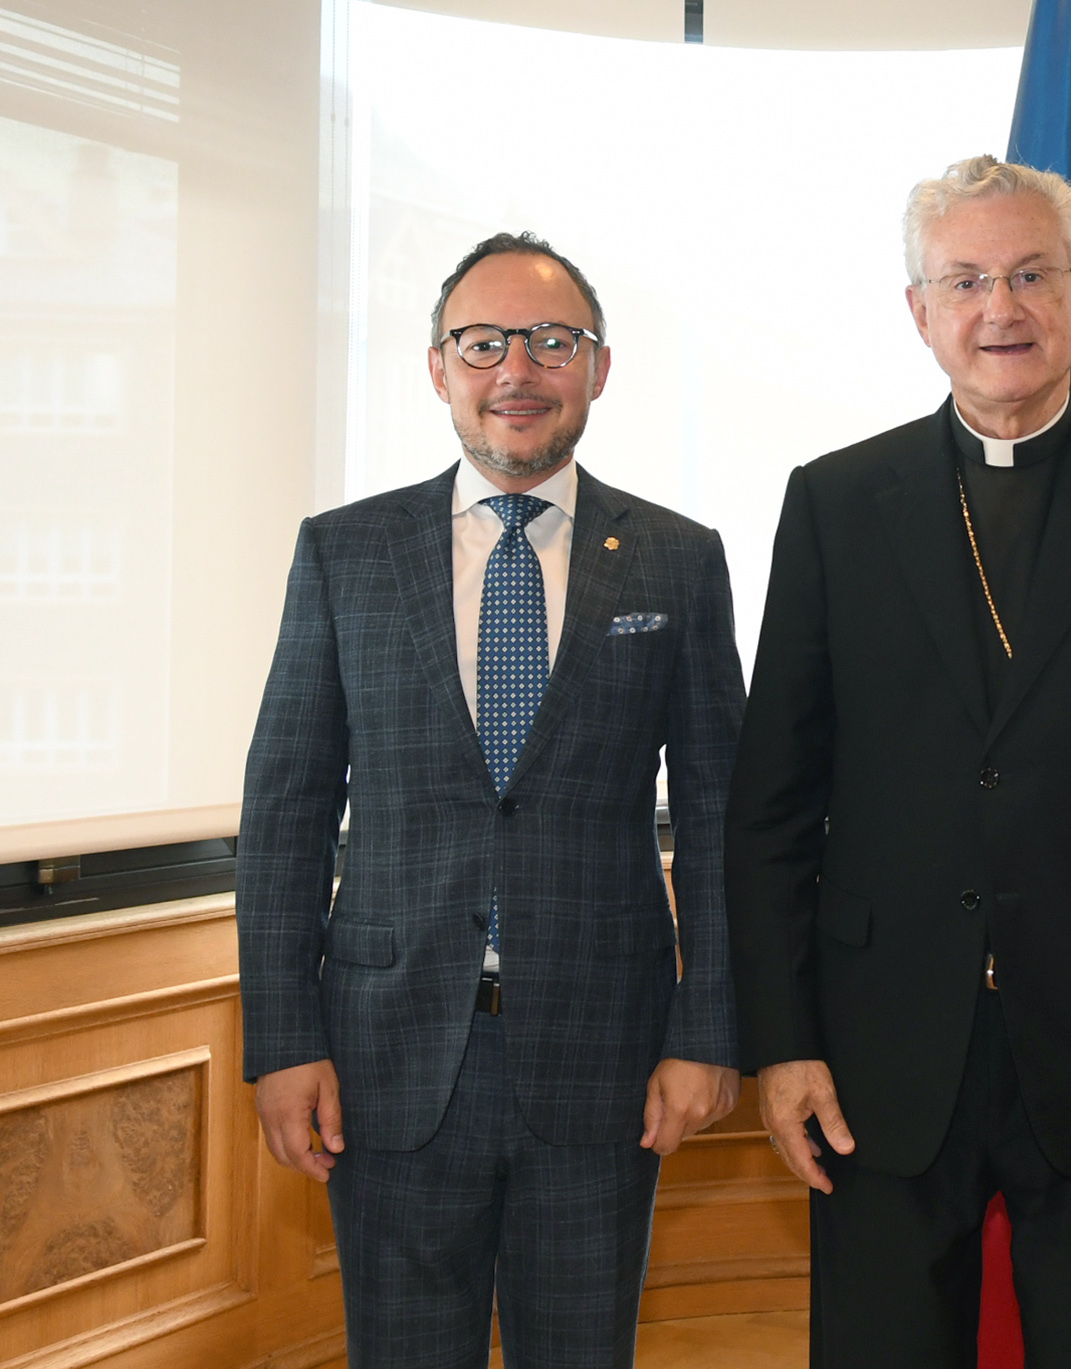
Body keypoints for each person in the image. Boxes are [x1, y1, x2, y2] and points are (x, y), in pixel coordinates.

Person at [725, 156, 1071, 1369]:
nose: (1003, 308)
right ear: (920, 310)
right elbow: (771, 802)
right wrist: (781, 1041)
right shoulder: (834, 503)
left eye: (1032, 273)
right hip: (880, 1057)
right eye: (968, 279)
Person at [237, 232, 744, 1368]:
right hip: (385, 1060)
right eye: (483, 342)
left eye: (550, 341)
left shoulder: (675, 559)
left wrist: (705, 1030)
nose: (516, 368)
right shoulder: (343, 554)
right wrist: (281, 1039)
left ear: (597, 368)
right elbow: (286, 811)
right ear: (438, 368)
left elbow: (717, 820)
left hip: (604, 1064)